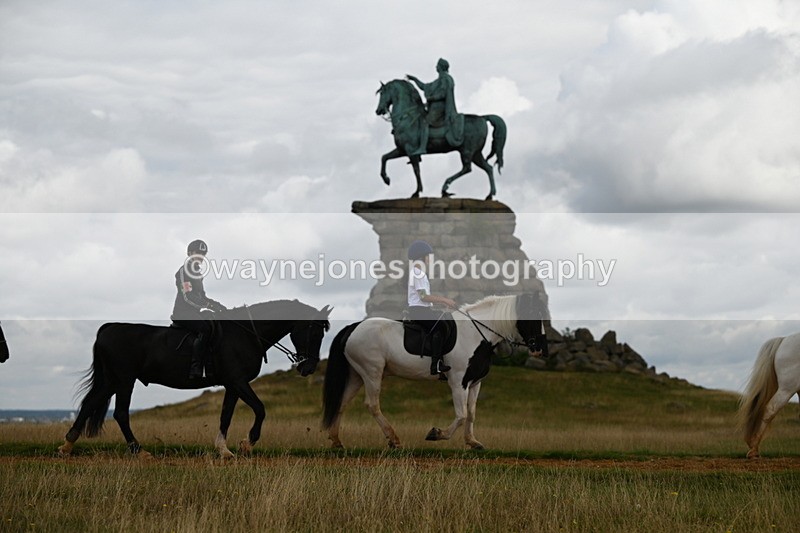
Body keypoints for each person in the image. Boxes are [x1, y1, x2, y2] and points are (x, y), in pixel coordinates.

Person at [171, 239, 227, 379]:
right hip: (183, 314)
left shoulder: (198, 273)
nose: (201, 257)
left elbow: (202, 296)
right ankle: (196, 368)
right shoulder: (184, 271)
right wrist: (207, 306)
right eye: (198, 253)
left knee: (215, 324)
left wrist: (218, 305)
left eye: (203, 254)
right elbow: (187, 296)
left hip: (194, 312)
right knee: (206, 329)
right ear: (189, 253)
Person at [406, 240, 457, 375]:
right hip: (419, 311)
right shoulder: (418, 273)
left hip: (424, 309)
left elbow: (425, 297)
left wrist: (440, 303)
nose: (430, 259)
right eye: (428, 256)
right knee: (440, 326)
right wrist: (444, 300)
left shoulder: (419, 273)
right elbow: (423, 297)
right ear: (422, 257)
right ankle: (436, 365)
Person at [406, 58, 465, 155]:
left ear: (441, 67)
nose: (436, 67)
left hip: (440, 109)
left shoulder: (446, 79)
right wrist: (414, 79)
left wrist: (431, 98)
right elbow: (424, 87)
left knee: (425, 122)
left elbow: (443, 94)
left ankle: (422, 148)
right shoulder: (438, 80)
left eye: (437, 65)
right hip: (434, 108)